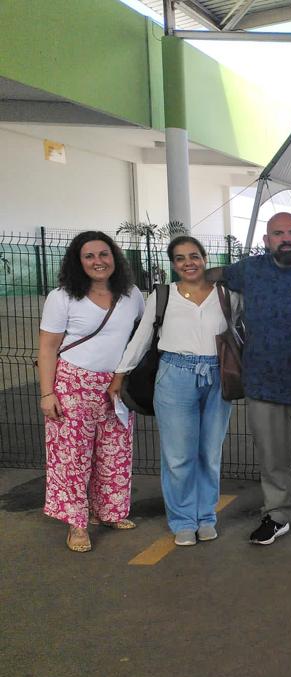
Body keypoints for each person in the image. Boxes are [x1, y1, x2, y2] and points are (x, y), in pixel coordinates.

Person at [215, 213, 291, 548]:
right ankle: (277, 515)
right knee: (273, 461)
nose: (286, 238)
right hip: (263, 384)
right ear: (267, 240)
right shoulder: (248, 270)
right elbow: (211, 276)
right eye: (278, 233)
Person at [110, 236, 238, 546]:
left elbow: (244, 329)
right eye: (180, 258)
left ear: (205, 258)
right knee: (178, 456)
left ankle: (206, 516)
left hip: (217, 375)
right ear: (173, 264)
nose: (188, 263)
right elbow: (142, 338)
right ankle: (183, 520)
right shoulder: (163, 296)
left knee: (209, 453)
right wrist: (120, 374)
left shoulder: (227, 294)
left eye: (194, 256)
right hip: (174, 376)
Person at [37, 231, 145, 552]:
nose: (98, 261)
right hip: (72, 383)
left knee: (115, 452)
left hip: (116, 386)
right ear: (78, 261)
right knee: (72, 457)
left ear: (115, 258)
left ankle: (109, 512)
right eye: (89, 256)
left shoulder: (132, 295)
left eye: (104, 254)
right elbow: (48, 347)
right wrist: (47, 394)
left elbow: (140, 336)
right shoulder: (62, 297)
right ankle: (77, 523)